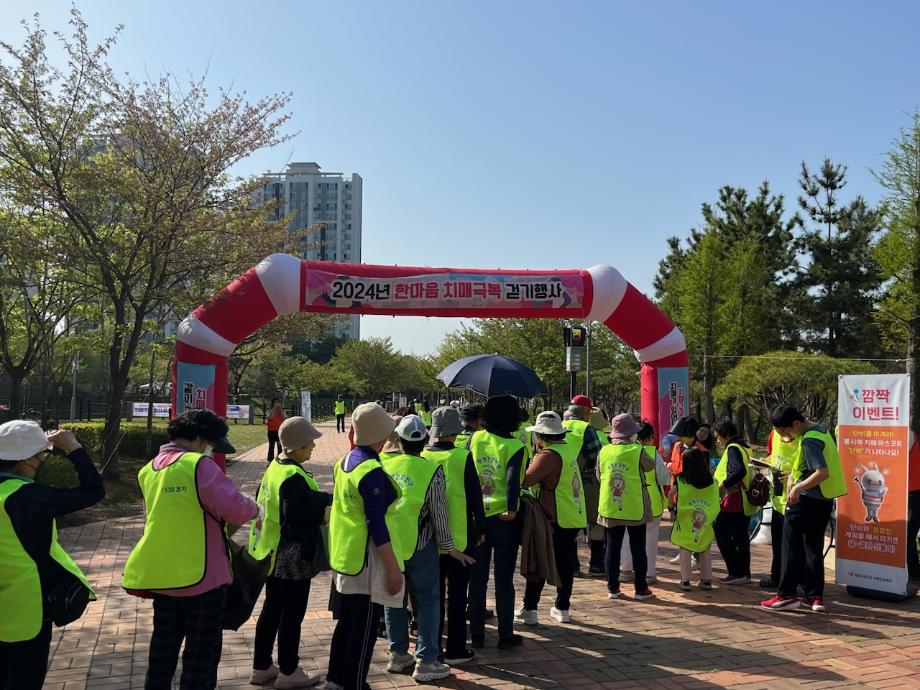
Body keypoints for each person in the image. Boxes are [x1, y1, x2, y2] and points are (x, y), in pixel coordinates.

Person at [123, 410, 258, 690]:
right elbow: (236, 508)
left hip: (162, 576)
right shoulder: (199, 465)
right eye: (208, 444)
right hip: (203, 577)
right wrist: (256, 507)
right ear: (198, 438)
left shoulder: (149, 470)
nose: (208, 449)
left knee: (162, 653)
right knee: (201, 656)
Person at [0, 422, 103, 690]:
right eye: (42, 455)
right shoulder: (28, 497)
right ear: (26, 459)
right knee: (25, 680)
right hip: (26, 606)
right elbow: (93, 490)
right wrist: (74, 449)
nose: (43, 459)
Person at [382, 415, 474, 682]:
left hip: (391, 544)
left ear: (398, 440)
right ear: (423, 441)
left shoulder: (385, 465)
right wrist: (451, 547)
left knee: (394, 600)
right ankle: (426, 660)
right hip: (421, 546)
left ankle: (398, 654)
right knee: (429, 601)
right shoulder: (430, 471)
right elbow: (439, 513)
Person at [326, 403, 405, 690]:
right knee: (364, 630)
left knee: (346, 624)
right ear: (379, 435)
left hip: (345, 557)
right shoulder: (370, 470)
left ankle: (336, 679)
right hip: (366, 561)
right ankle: (355, 684)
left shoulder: (345, 462)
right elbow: (377, 525)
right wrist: (394, 570)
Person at [248, 417, 330, 688]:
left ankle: (261, 667)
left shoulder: (276, 467)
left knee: (272, 609)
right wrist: (325, 509)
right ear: (295, 446)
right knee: (292, 615)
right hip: (292, 557)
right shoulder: (293, 477)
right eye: (310, 443)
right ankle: (289, 671)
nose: (314, 448)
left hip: (271, 552)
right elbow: (299, 516)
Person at [760, 406, 846, 613]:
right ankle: (814, 597)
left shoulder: (809, 440)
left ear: (796, 424)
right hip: (823, 500)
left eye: (785, 431)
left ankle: (787, 594)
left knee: (790, 546)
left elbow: (822, 472)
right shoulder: (820, 430)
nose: (785, 436)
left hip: (805, 500)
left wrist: (798, 487)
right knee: (813, 548)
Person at [422, 406, 486, 666]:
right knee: (458, 595)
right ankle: (457, 648)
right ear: (454, 432)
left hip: (430, 538)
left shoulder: (423, 457)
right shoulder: (463, 456)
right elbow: (475, 497)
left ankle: (433, 647)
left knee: (432, 596)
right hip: (461, 537)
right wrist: (481, 529)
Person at [514, 411, 587, 625]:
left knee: (539, 561)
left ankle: (530, 608)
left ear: (541, 436)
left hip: (552, 516)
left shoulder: (548, 455)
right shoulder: (567, 450)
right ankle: (562, 607)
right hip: (571, 514)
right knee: (565, 563)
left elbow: (526, 480)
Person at [468, 395, 526, 649]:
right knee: (503, 579)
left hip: (478, 515)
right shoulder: (515, 446)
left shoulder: (475, 438)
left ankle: (477, 633)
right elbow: (513, 480)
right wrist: (512, 508)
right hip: (504, 517)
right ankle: (505, 634)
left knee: (477, 577)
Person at [597, 413, 656, 600]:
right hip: (635, 506)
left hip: (610, 506)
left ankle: (612, 588)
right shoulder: (637, 450)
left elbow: (599, 475)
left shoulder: (604, 451)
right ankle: (640, 589)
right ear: (631, 434)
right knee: (638, 547)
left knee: (612, 547)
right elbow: (650, 466)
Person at [620, 421, 669, 585]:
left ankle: (626, 570)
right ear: (650, 437)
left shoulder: (626, 451)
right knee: (650, 537)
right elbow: (663, 478)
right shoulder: (653, 453)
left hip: (630, 499)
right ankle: (648, 573)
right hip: (652, 500)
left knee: (627, 535)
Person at [563, 395, 606, 576]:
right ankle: (596, 565)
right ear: (585, 411)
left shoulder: (560, 425)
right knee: (595, 523)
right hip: (586, 481)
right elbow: (596, 456)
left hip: (564, 481)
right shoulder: (586, 428)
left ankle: (571, 566)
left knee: (570, 524)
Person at [712, 419, 756, 585]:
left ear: (727, 435)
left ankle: (735, 571)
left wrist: (723, 485)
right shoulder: (745, 446)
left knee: (721, 531)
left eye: (718, 437)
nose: (717, 441)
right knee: (741, 537)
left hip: (733, 498)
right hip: (744, 499)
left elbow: (739, 470)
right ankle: (744, 572)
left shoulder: (732, 448)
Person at [670, 447, 719, 591]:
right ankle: (706, 580)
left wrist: (671, 510)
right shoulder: (711, 480)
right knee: (705, 547)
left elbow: (671, 494)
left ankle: (685, 580)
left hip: (685, 518)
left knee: (685, 546)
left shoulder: (680, 479)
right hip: (706, 518)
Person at [760, 428, 800, 589]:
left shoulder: (804, 435)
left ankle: (798, 582)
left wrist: (793, 474)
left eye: (784, 429)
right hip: (777, 499)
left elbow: (810, 464)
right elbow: (773, 455)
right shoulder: (774, 434)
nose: (782, 432)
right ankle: (776, 577)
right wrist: (763, 462)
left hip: (796, 500)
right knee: (778, 543)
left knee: (795, 546)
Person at [909, 431, 920, 582]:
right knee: (909, 534)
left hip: (912, 490)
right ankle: (914, 570)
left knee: (908, 534)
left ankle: (913, 570)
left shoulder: (907, 434)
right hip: (911, 490)